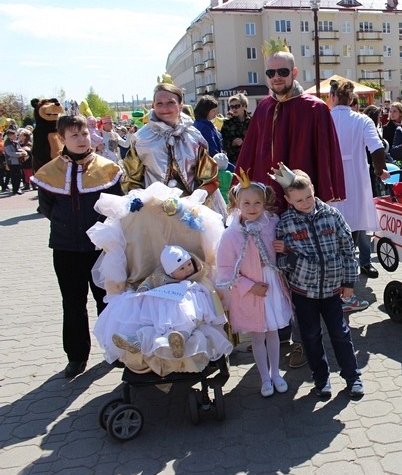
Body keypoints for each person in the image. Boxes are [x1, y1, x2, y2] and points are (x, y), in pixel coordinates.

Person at [31, 114, 123, 378]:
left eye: (84, 134)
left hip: (101, 248)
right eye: (74, 135)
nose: (81, 139)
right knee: (72, 304)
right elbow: (47, 208)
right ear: (62, 139)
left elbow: (117, 206)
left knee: (108, 301)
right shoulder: (49, 172)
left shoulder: (108, 168)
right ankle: (76, 357)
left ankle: (115, 351)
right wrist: (66, 227)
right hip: (65, 248)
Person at [274, 167, 364, 399]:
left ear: (313, 190)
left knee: (341, 334)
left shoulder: (332, 215)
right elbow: (280, 263)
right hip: (303, 293)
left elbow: (347, 249)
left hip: (333, 289)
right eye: (298, 200)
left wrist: (349, 281)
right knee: (311, 336)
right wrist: (289, 254)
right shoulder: (285, 223)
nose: (305, 203)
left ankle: (353, 377)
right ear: (288, 200)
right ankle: (321, 380)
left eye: (308, 196)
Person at [236, 48, 346, 211]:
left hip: (301, 204)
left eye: (283, 71)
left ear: (294, 73)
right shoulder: (263, 107)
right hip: (265, 203)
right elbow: (249, 151)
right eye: (271, 73)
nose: (276, 77)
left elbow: (325, 156)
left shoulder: (315, 108)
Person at [97, 244, 232, 375]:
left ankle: (181, 338)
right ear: (170, 272)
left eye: (189, 265)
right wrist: (144, 289)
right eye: (182, 269)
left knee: (188, 319)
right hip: (164, 314)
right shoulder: (161, 277)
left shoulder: (197, 279)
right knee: (153, 326)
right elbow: (149, 282)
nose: (188, 270)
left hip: (187, 310)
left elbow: (210, 291)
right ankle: (135, 339)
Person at [216, 178, 293, 397]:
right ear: (236, 204)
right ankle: (264, 378)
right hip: (251, 292)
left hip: (272, 286)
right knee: (258, 336)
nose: (252, 208)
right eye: (246, 203)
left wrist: (284, 248)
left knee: (274, 333)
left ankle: (276, 373)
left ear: (264, 202)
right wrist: (249, 286)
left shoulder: (272, 223)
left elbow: (283, 247)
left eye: (257, 203)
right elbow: (225, 268)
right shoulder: (231, 235)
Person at [122, 82, 224, 214]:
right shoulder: (142, 139)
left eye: (170, 102)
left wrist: (198, 196)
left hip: (190, 211)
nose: (165, 108)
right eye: (159, 103)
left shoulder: (194, 137)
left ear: (181, 105)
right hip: (154, 211)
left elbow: (208, 177)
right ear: (153, 106)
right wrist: (138, 197)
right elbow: (132, 179)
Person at [329, 80, 389, 285]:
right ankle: (347, 278)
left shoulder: (324, 118)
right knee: (353, 228)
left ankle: (338, 278)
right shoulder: (362, 120)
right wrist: (379, 170)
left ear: (332, 97)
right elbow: (378, 148)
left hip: (329, 184)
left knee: (331, 231)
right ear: (351, 99)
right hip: (355, 184)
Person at [220, 93, 250, 166]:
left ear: (244, 106)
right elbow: (222, 143)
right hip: (233, 160)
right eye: (231, 106)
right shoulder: (227, 123)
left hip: (250, 158)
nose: (234, 109)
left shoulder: (252, 122)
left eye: (237, 106)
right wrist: (232, 143)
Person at [3, 129, 25, 195]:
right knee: (14, 176)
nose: (15, 136)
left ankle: (18, 188)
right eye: (14, 135)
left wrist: (23, 152)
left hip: (18, 161)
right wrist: (20, 154)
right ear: (9, 136)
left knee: (19, 175)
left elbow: (19, 148)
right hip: (12, 162)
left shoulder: (15, 142)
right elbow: (10, 153)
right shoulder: (7, 143)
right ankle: (15, 189)